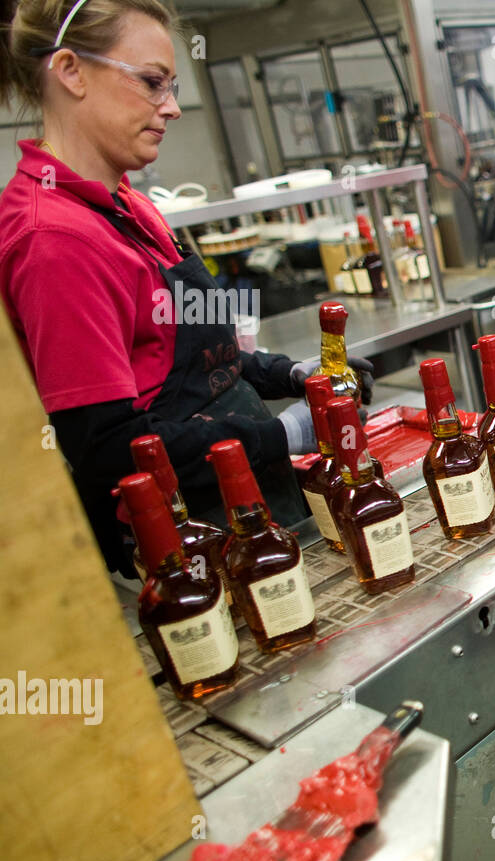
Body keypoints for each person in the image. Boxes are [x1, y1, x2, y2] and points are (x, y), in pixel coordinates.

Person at [0, 0, 371, 577]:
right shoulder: (54, 240)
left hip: (256, 499)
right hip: (199, 537)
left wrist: (288, 374)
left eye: (173, 86)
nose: (171, 108)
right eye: (152, 83)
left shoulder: (129, 203)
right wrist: (282, 432)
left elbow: (199, 354)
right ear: (70, 71)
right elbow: (111, 449)